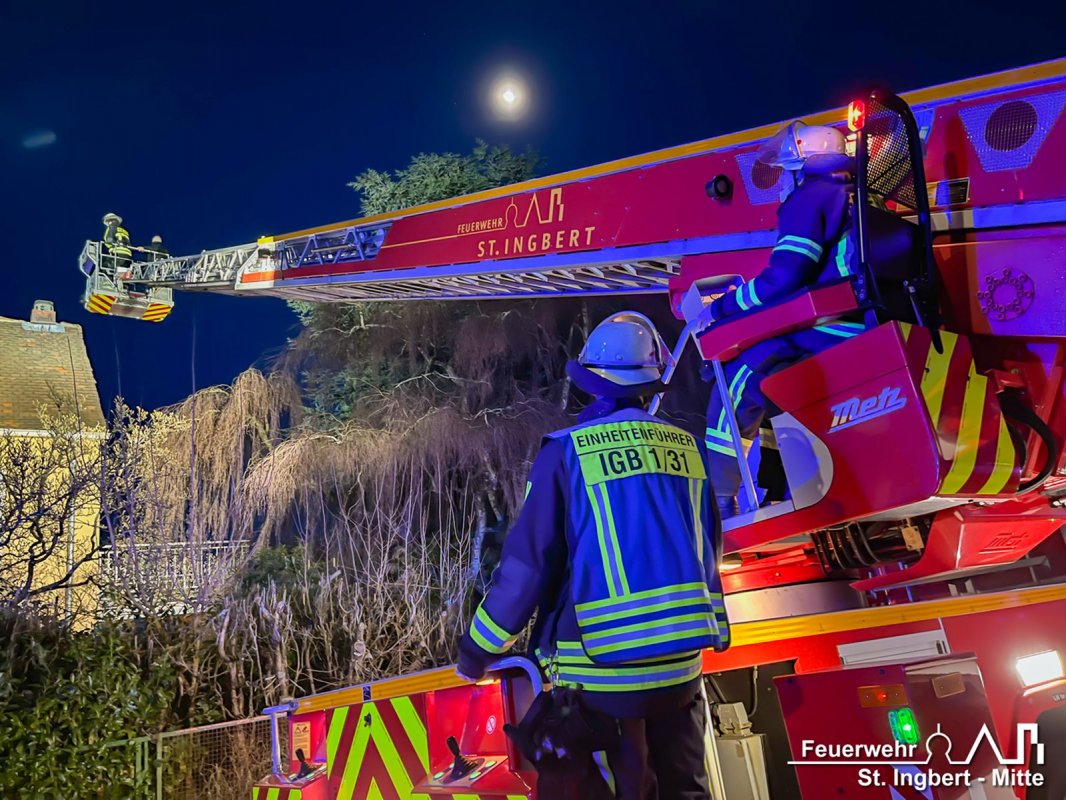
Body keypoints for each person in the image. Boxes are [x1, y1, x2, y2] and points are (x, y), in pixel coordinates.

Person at [457, 311, 729, 800]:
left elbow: (528, 565)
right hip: (682, 673)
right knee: (685, 791)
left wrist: (478, 650)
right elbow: (709, 543)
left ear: (591, 383)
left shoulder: (567, 453)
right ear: (651, 385)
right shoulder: (688, 449)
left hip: (601, 683)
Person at [696, 121, 864, 518]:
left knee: (739, 374)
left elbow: (785, 277)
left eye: (788, 170)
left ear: (804, 164)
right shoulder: (851, 194)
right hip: (852, 319)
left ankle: (720, 501)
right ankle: (779, 486)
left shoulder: (812, 197)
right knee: (775, 380)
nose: (784, 182)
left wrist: (723, 308)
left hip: (835, 326)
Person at [101, 212, 134, 282]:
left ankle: (108, 284)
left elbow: (109, 239)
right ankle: (124, 286)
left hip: (117, 254)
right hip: (128, 256)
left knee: (104, 266)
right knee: (123, 275)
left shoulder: (111, 227)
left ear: (109, 221)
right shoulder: (125, 231)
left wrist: (108, 246)